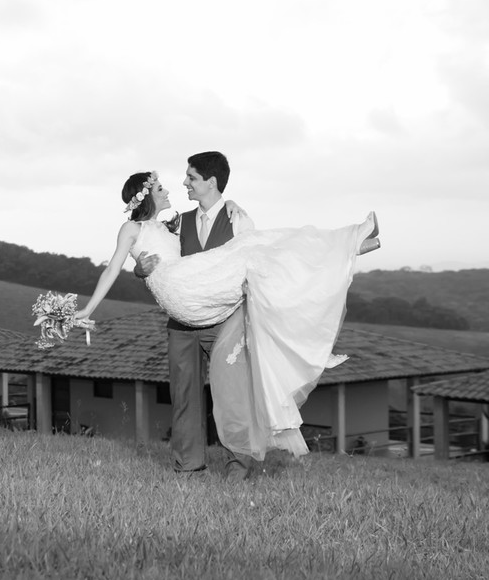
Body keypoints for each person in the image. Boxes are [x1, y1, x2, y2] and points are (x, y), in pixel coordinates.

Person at [72, 156, 379, 473]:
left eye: (190, 177)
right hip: (184, 305)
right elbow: (119, 265)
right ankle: (188, 466)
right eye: (163, 186)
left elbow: (165, 247)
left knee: (233, 392)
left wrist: (230, 203)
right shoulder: (169, 224)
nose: (180, 185)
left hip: (215, 312)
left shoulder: (219, 219)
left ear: (211, 182)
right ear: (146, 195)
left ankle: (238, 464)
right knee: (184, 396)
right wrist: (131, 276)